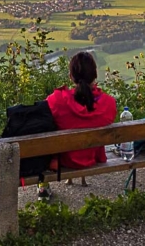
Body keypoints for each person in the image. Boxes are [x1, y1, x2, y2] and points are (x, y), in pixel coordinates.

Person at [40, 51, 117, 200]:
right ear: (95, 76)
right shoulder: (108, 104)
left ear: (71, 76)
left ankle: (42, 188)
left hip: (64, 160)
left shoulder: (56, 100)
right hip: (92, 157)